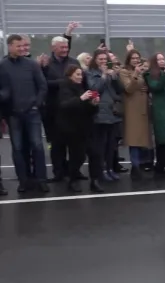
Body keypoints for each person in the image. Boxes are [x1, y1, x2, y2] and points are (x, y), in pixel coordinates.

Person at [0, 34, 49, 193]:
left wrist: (37, 104)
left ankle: (41, 179)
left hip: (32, 113)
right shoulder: (2, 65)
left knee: (37, 146)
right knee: (18, 148)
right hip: (13, 114)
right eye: (18, 46)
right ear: (10, 46)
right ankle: (23, 181)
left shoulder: (32, 64)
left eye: (23, 46)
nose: (22, 49)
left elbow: (42, 86)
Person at [42, 36, 84, 182]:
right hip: (54, 110)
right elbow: (43, 83)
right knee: (57, 144)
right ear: (54, 48)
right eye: (62, 47)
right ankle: (59, 172)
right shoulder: (46, 64)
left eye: (66, 47)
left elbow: (80, 81)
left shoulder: (74, 62)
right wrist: (64, 82)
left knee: (76, 144)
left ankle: (75, 171)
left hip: (73, 109)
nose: (65, 50)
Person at [57, 65, 103, 192]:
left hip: (87, 126)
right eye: (77, 74)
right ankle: (73, 180)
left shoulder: (83, 87)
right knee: (77, 156)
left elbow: (89, 110)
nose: (80, 77)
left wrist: (94, 104)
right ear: (70, 75)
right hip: (73, 128)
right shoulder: (64, 88)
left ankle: (95, 180)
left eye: (81, 74)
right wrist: (81, 99)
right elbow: (64, 106)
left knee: (95, 154)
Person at [86, 49, 124, 181]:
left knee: (111, 145)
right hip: (99, 114)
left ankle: (110, 168)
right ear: (95, 60)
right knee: (100, 146)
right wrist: (103, 76)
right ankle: (100, 171)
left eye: (105, 59)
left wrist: (114, 77)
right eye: (100, 59)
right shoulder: (90, 73)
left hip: (112, 112)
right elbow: (95, 89)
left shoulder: (111, 73)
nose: (103, 62)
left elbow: (119, 90)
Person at [119, 49, 151, 180]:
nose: (136, 60)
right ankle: (135, 166)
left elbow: (145, 86)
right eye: (133, 58)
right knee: (133, 139)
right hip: (132, 109)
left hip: (142, 108)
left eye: (138, 58)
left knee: (141, 139)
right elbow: (128, 88)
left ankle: (141, 165)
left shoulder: (141, 71)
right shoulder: (124, 72)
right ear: (128, 59)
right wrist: (136, 75)